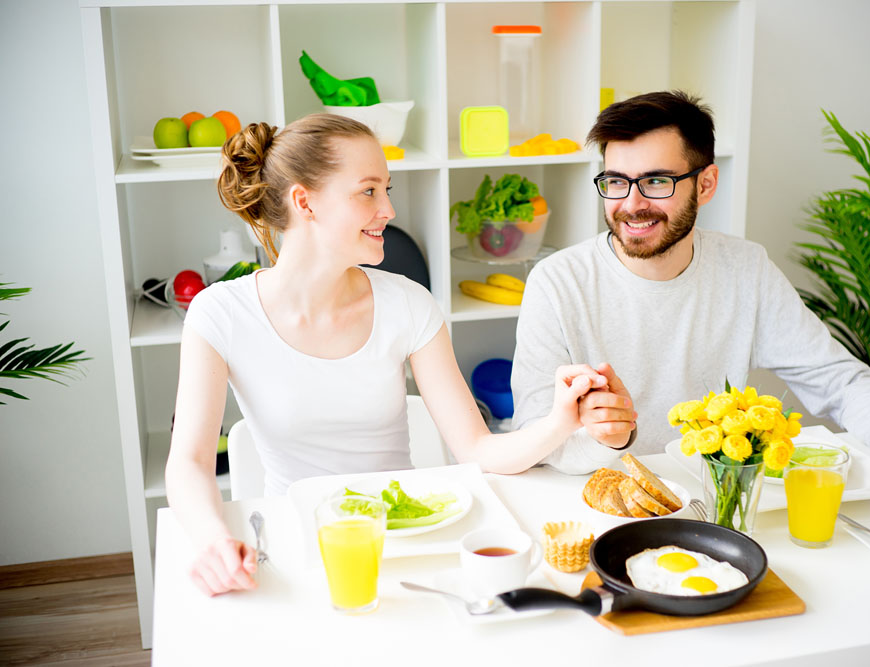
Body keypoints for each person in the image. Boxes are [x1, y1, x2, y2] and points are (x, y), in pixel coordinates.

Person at [165, 113, 609, 596]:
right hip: (295, 548)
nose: (389, 210)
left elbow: (478, 450)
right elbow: (189, 461)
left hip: (408, 544)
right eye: (369, 191)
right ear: (304, 201)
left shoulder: (407, 303)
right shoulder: (220, 314)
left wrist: (563, 422)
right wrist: (213, 539)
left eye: (387, 190)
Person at [511, 90, 870, 487]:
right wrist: (608, 439)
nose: (631, 204)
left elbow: (833, 376)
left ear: (706, 185)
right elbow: (531, 437)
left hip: (716, 500)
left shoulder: (745, 269)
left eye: (656, 182)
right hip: (589, 499)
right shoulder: (557, 282)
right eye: (615, 182)